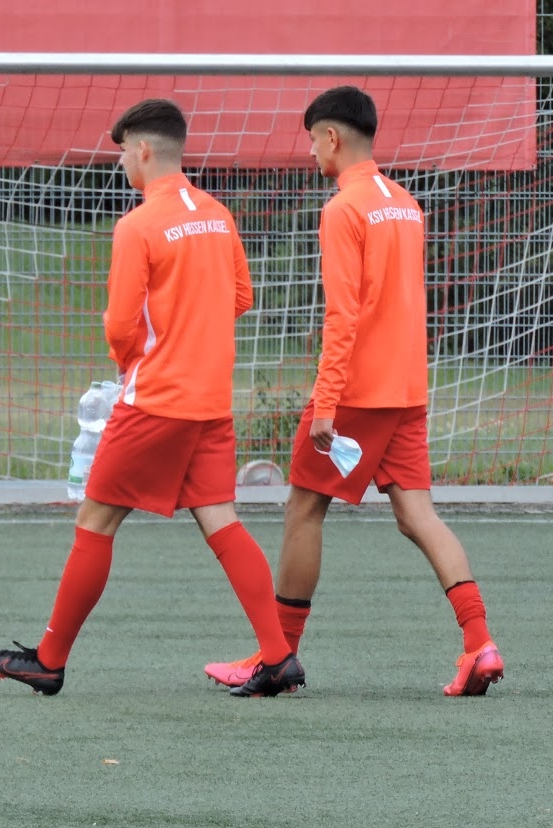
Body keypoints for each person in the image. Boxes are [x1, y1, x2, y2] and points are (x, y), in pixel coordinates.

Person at [0, 98, 304, 699]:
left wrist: (137, 360)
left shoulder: (138, 225)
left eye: (124, 151)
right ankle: (279, 657)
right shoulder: (217, 214)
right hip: (210, 400)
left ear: (144, 150)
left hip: (155, 399)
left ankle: (49, 661)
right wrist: (193, 334)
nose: (122, 161)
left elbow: (120, 325)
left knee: (95, 520)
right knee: (222, 521)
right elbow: (241, 296)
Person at [204, 85, 504, 697]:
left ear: (332, 137)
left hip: (358, 392)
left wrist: (326, 401)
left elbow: (344, 315)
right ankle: (480, 643)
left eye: (313, 140)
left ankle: (278, 658)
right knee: (418, 516)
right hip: (407, 389)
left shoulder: (344, 208)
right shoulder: (406, 203)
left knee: (303, 510)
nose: (312, 152)